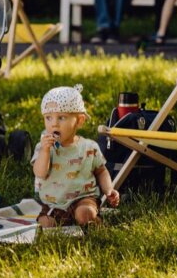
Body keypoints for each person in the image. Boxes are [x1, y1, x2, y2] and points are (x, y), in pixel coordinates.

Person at [32, 84, 119, 228]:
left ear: (79, 121)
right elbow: (40, 173)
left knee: (84, 214)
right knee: (45, 224)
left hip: (83, 198)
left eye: (61, 117)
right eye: (48, 118)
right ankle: (69, 221)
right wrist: (45, 151)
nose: (54, 124)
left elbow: (101, 171)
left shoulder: (89, 147)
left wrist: (108, 190)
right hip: (53, 204)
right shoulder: (43, 148)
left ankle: (92, 221)